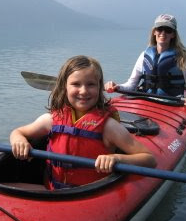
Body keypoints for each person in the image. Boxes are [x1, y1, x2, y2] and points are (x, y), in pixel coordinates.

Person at [10, 55, 156, 190]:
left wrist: (117, 158)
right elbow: (18, 132)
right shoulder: (51, 119)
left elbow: (149, 159)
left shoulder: (109, 127)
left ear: (99, 88)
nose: (83, 91)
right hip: (51, 191)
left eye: (91, 84)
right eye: (76, 84)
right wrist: (19, 141)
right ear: (64, 87)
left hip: (90, 195)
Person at [105, 14, 186, 105]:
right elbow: (131, 85)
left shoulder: (183, 58)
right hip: (146, 101)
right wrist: (117, 86)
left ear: (173, 34)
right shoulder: (144, 56)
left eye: (168, 30)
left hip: (172, 103)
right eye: (160, 29)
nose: (163, 33)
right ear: (154, 32)